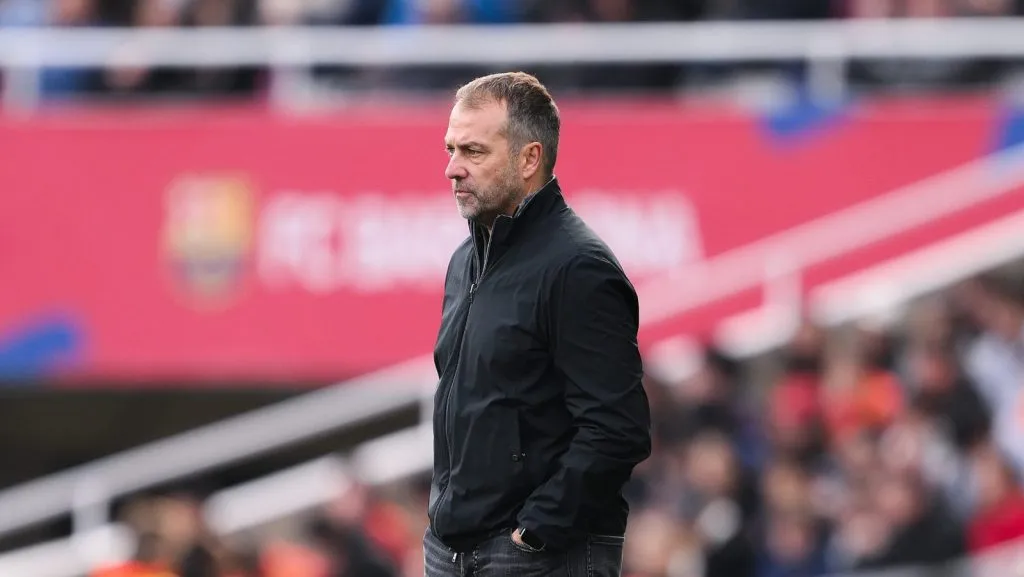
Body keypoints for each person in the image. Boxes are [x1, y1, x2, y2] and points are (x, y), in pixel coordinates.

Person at [425, 71, 652, 577]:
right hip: (451, 553)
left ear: (530, 159)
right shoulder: (466, 259)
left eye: (473, 152)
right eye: (450, 149)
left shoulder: (578, 267)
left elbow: (619, 429)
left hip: (536, 557)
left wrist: (536, 531)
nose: (452, 169)